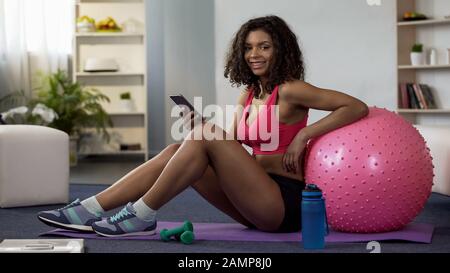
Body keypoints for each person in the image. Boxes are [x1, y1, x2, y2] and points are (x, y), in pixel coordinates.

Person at [37, 15, 368, 236]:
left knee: (202, 136)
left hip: (282, 203)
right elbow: (234, 145)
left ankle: (142, 214)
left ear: (279, 50)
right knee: (176, 148)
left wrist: (306, 135)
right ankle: (88, 209)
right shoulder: (249, 93)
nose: (255, 54)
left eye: (264, 46)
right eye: (249, 47)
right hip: (252, 197)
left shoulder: (293, 89)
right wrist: (200, 128)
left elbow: (355, 106)